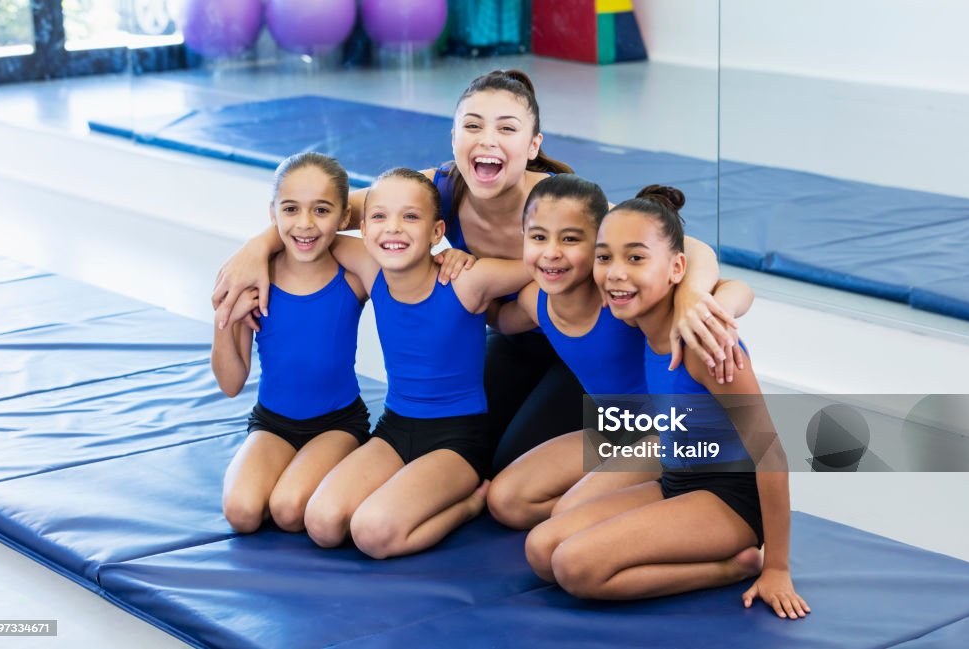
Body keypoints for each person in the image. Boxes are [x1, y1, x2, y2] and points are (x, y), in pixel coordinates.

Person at [211, 69, 735, 475]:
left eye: (506, 129)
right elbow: (322, 211)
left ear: (532, 146)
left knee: (508, 465)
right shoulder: (435, 189)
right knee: (469, 450)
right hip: (511, 337)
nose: (487, 140)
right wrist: (257, 248)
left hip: (575, 354)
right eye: (472, 126)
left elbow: (689, 246)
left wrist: (692, 295)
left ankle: (659, 457)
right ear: (454, 137)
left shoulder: (559, 204)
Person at [523, 186, 809, 620]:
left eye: (635, 258)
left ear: (677, 268)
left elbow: (771, 454)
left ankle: (732, 566)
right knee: (541, 549)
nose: (616, 273)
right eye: (604, 258)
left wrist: (778, 567)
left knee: (573, 566)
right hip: (676, 478)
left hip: (727, 497)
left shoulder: (704, 345)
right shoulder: (637, 320)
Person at [488, 174, 752, 530]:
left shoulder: (619, 299)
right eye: (538, 237)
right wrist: (453, 273)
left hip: (664, 434)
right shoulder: (534, 301)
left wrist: (703, 301)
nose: (552, 252)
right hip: (613, 428)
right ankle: (621, 500)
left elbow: (733, 283)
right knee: (507, 502)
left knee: (567, 514)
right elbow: (500, 320)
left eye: (570, 239)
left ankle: (667, 499)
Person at [303, 168, 531, 558]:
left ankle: (471, 503)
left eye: (410, 217)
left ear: (437, 231)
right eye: (379, 217)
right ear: (362, 226)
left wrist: (469, 259)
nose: (393, 228)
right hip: (395, 428)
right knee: (322, 523)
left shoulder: (466, 281)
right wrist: (254, 251)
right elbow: (308, 232)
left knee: (372, 534)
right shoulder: (372, 269)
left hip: (456, 441)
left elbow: (546, 266)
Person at [212, 153, 371, 534]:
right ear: (273, 213)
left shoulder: (353, 276)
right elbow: (231, 384)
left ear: (343, 216)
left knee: (287, 508)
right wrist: (225, 320)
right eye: (291, 209)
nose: (305, 224)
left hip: (338, 424)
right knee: (241, 512)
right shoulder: (253, 279)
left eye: (321, 210)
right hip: (272, 423)